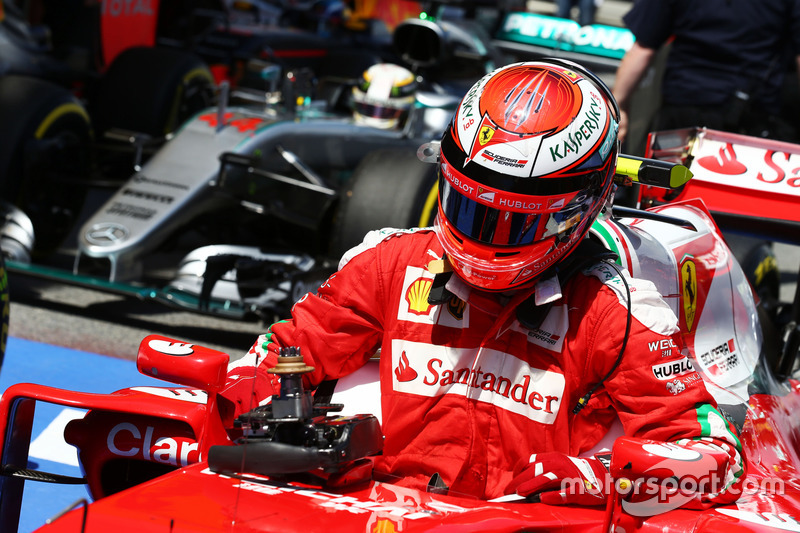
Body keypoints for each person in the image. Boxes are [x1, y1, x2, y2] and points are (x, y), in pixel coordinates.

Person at [220, 60, 744, 505]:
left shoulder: (616, 312)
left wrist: (600, 478)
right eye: (469, 208)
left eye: (515, 221)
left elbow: (716, 456)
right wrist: (251, 391)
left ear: (579, 210)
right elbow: (283, 350)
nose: (482, 239)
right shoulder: (388, 264)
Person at [613, 0, 800, 146]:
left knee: (668, 189)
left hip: (683, 115)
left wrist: (617, 107)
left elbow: (643, 48)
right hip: (753, 123)